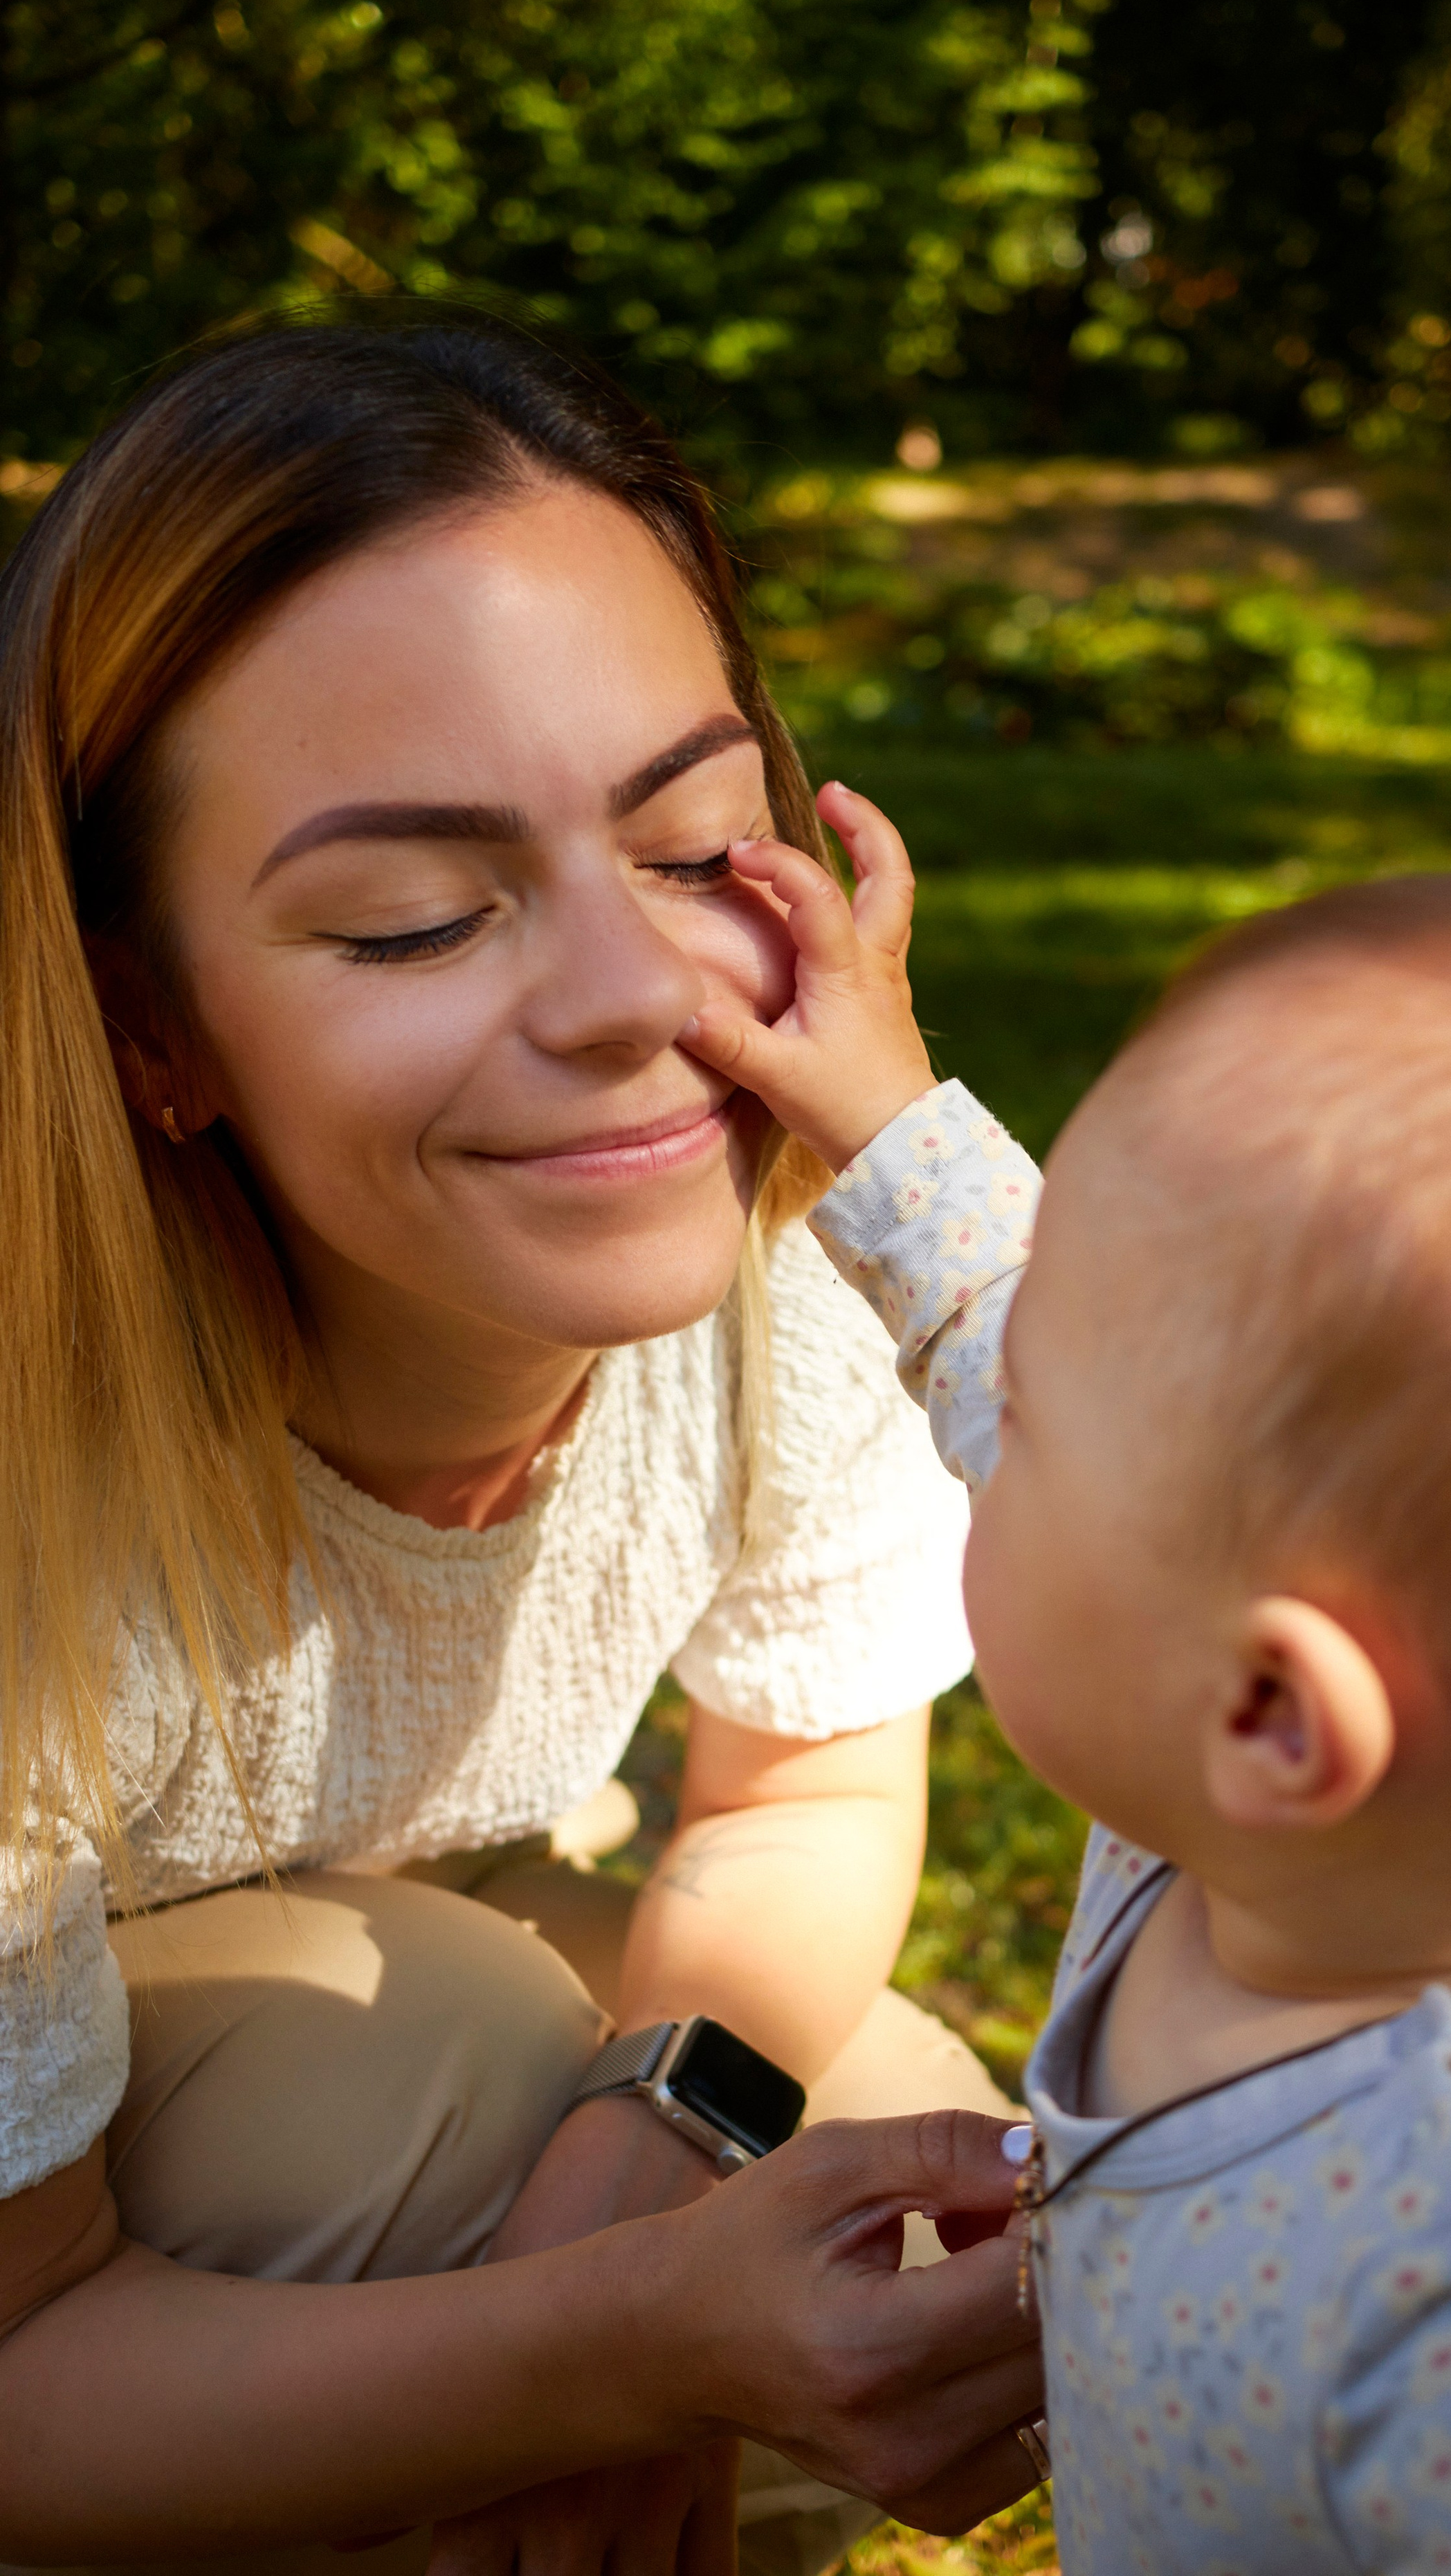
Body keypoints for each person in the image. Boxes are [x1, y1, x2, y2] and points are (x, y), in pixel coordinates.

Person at [0, 318, 1042, 2576]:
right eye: (417, 917)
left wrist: (630, 2202)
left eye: (689, 839)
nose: (634, 1000)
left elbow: (804, 1795)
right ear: (151, 1027)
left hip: (348, 1973)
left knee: (897, 2165)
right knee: (441, 2063)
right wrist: (608, 2355)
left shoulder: (789, 1258)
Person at [693, 803, 1451, 2570]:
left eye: (1025, 1422)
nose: (986, 1402)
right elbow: (997, 1303)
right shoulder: (1297, 1818)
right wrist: (878, 1110)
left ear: (1276, 1715)